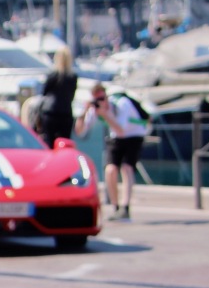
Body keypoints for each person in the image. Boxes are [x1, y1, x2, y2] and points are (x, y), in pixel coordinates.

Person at [75, 83, 147, 221]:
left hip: (134, 135)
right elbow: (81, 132)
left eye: (102, 98)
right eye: (97, 100)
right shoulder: (95, 109)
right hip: (117, 137)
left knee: (127, 168)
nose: (100, 102)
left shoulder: (122, 104)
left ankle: (125, 207)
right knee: (110, 170)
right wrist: (83, 112)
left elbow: (121, 129)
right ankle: (115, 206)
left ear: (106, 96)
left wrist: (105, 115)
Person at [39, 46, 77, 146]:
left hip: (50, 112)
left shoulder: (53, 75)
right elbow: (72, 96)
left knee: (49, 143)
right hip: (66, 112)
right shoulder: (72, 77)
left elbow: (44, 92)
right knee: (65, 143)